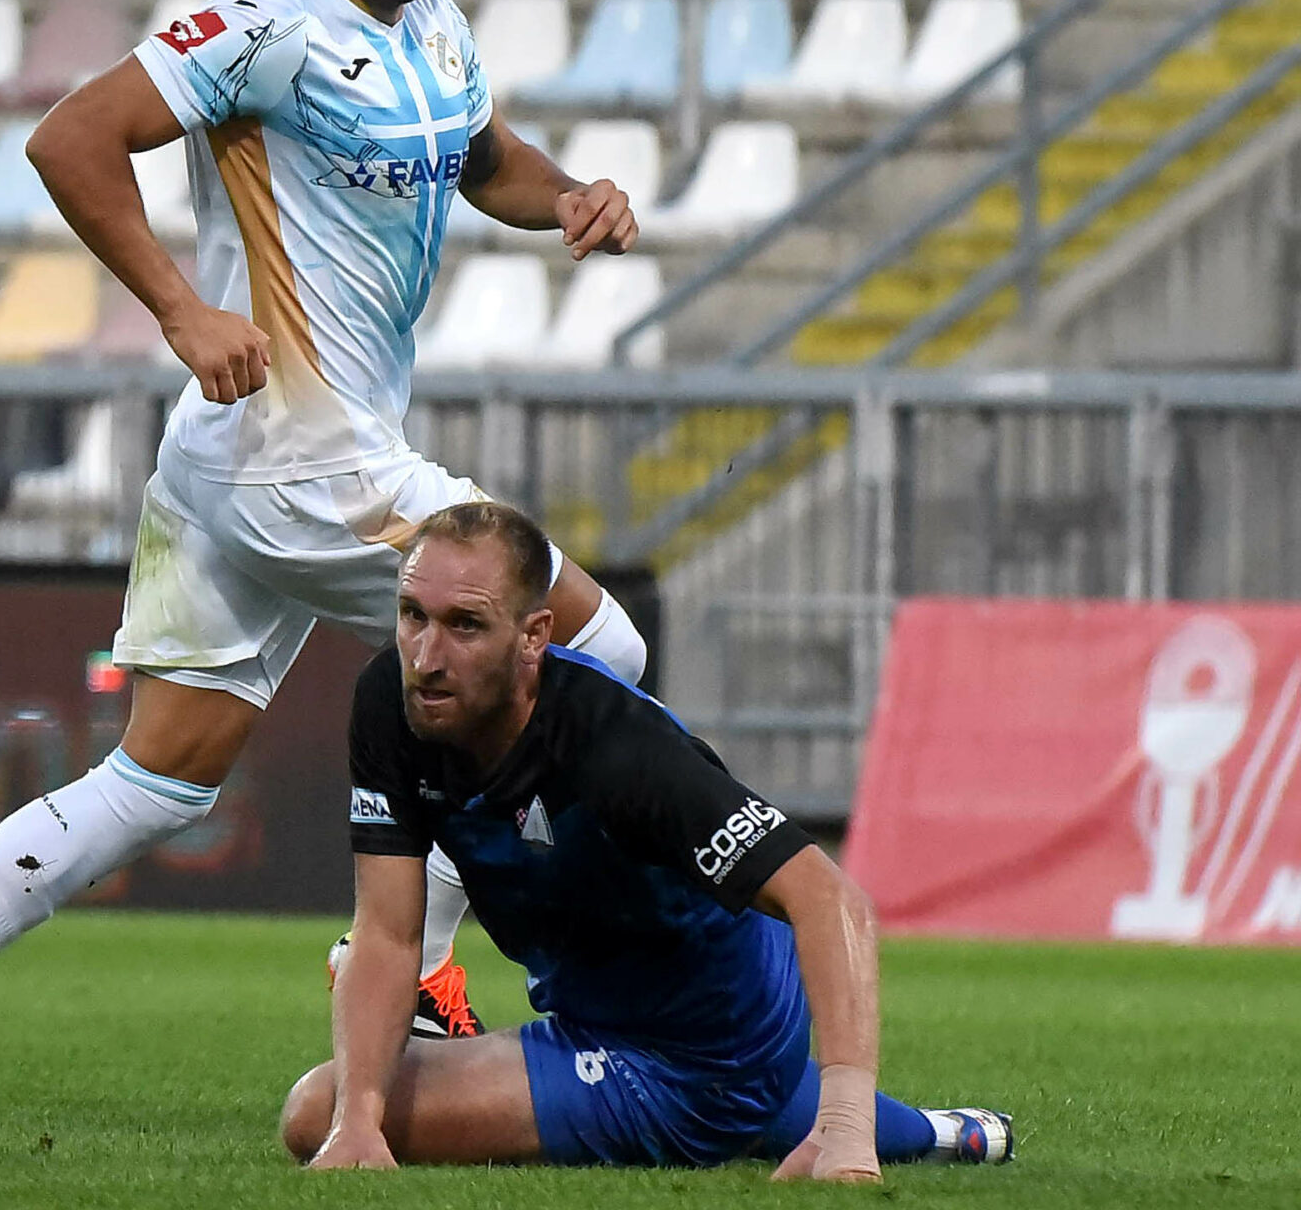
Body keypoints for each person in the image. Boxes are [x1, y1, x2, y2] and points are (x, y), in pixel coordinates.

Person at [0, 0, 644, 1039]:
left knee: (159, 776)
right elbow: (69, 138)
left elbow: (483, 159)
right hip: (300, 459)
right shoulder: (266, 26)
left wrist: (569, 194)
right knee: (595, 647)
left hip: (236, 465)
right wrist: (178, 307)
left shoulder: (435, 27)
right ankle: (417, 972)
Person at [283, 499, 1014, 1176]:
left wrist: (848, 1128)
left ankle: (823, 1117)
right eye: (413, 615)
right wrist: (360, 1123)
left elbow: (831, 899)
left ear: (534, 636)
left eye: (465, 625)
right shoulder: (394, 701)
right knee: (340, 1112)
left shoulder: (617, 749)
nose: (427, 655)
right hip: (601, 1018)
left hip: (699, 1057)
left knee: (309, 1111)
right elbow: (383, 931)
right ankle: (944, 1133)